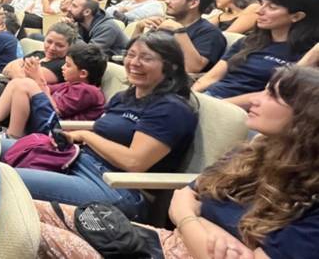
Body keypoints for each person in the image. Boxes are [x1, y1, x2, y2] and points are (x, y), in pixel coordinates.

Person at [36, 65, 319, 259]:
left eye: (272, 95)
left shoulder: (310, 199)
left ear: (304, 117)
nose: (255, 99)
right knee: (23, 208)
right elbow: (182, 197)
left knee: (22, 228)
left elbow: (180, 196)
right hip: (162, 239)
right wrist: (193, 222)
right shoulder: (253, 151)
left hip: (163, 245)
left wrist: (189, 218)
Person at [2, 32, 197, 220]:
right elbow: (102, 130)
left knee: (2, 179)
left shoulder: (172, 109)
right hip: (77, 158)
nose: (135, 62)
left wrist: (85, 136)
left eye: (146, 57)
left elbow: (134, 162)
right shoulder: (124, 97)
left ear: (170, 66)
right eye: (131, 55)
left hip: (116, 186)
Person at [193, 0, 319, 106]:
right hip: (209, 99)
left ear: (296, 16)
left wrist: (214, 106)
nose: (259, 11)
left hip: (247, 112)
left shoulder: (308, 55)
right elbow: (211, 77)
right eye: (262, 4)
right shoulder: (248, 42)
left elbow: (271, 95)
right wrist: (191, 98)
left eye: (272, 7)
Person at [0, 43, 107, 138]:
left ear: (83, 73)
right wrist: (34, 78)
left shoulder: (89, 91)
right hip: (48, 119)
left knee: (24, 84)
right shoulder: (69, 84)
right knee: (19, 83)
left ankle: (13, 136)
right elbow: (40, 92)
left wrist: (39, 80)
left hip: (58, 130)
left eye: (68, 65)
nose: (63, 67)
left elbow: (57, 111)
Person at [136, 0, 226, 73]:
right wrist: (139, 28)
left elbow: (192, 68)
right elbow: (135, 53)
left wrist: (179, 31)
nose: (166, 1)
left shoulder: (210, 33)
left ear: (193, 3)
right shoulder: (165, 25)